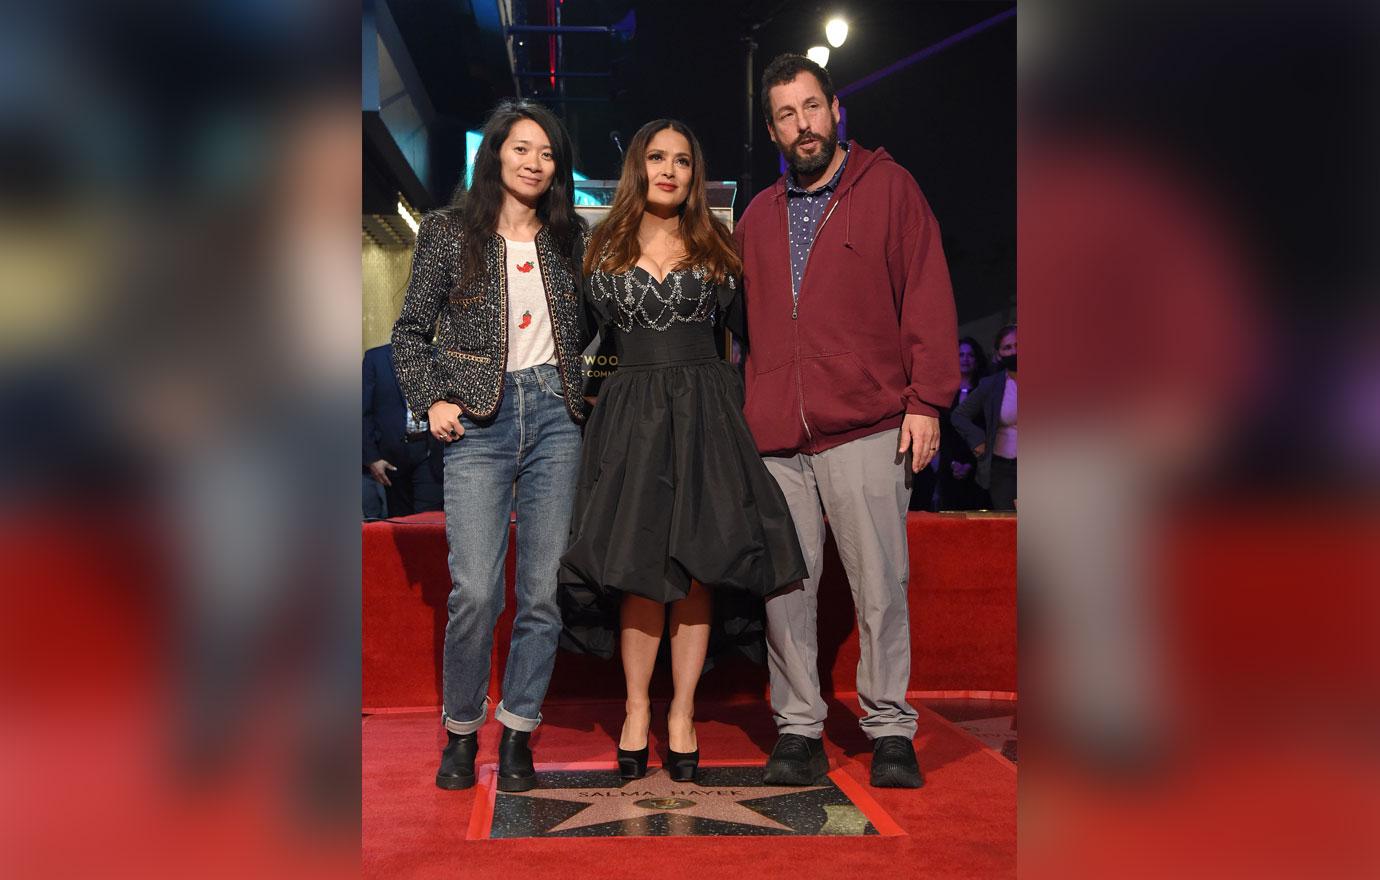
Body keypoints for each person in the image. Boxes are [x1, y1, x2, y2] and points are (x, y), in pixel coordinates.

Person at [734, 54, 959, 789]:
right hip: (777, 440)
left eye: (812, 107)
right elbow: (738, 329)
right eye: (787, 115)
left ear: (836, 110)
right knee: (786, 593)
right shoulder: (756, 217)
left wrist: (926, 399)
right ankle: (797, 728)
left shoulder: (889, 188)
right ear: (772, 129)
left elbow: (926, 292)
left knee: (880, 585)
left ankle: (890, 727)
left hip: (867, 423)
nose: (803, 125)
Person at [560, 120, 807, 784]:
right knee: (642, 568)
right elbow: (568, 342)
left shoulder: (720, 247)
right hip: (631, 422)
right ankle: (638, 709)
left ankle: (684, 714)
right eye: (656, 158)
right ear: (637, 167)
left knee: (699, 567)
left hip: (706, 419)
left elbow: (764, 342)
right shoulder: (599, 249)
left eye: (683, 162)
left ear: (696, 177)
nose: (669, 170)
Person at [391, 99, 589, 793]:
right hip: (479, 419)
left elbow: (588, 326)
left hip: (557, 420)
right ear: (496, 154)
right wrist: (432, 399)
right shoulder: (449, 232)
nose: (535, 163)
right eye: (522, 149)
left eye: (547, 154)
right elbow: (410, 331)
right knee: (476, 590)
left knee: (541, 593)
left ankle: (520, 734)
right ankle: (461, 731)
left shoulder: (570, 237)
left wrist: (581, 384)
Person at [363, 343, 443, 517]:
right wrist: (372, 458)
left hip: (430, 450)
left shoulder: (440, 356)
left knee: (429, 520)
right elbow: (363, 412)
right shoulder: (375, 358)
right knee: (400, 521)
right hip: (391, 455)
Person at [951, 324, 1017, 510]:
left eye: (1019, 345)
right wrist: (979, 440)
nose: (1014, 351)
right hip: (1003, 468)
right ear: (998, 353)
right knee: (1007, 529)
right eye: (1007, 347)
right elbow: (959, 415)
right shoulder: (992, 384)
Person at [937, 337, 991, 510]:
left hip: (978, 467)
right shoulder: (944, 393)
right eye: (960, 355)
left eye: (970, 355)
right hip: (948, 464)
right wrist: (952, 463)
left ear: (977, 359)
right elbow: (942, 432)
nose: (965, 359)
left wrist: (970, 465)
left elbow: (987, 430)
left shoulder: (986, 392)